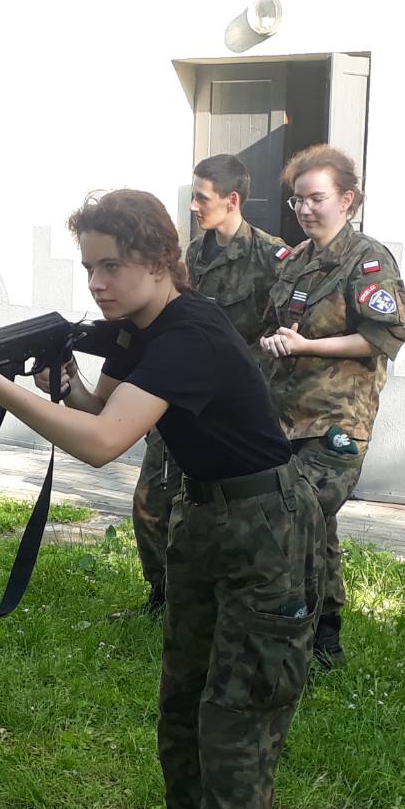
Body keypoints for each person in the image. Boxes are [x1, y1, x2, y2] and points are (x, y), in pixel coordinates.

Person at [0, 189, 323, 809]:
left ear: (161, 259)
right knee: (183, 713)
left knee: (235, 723)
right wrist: (60, 380)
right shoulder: (142, 332)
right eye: (89, 268)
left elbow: (103, 444)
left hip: (266, 532)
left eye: (112, 265)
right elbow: (102, 409)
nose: (98, 283)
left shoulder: (189, 333)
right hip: (204, 522)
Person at [260, 145, 405, 667]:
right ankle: (325, 638)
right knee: (315, 528)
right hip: (285, 419)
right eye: (297, 200)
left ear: (347, 199)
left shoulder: (367, 260)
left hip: (337, 420)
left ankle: (289, 638)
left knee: (293, 518)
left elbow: (386, 334)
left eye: (316, 198)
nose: (305, 209)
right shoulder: (294, 261)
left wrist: (308, 346)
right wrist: (273, 343)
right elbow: (275, 326)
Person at [122, 154, 287, 618]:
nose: (193, 206)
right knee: (151, 502)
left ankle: (220, 604)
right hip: (177, 401)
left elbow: (284, 332)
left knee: (217, 511)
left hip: (227, 413)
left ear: (232, 200)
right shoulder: (193, 254)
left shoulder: (271, 257)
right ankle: (163, 596)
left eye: (202, 198)